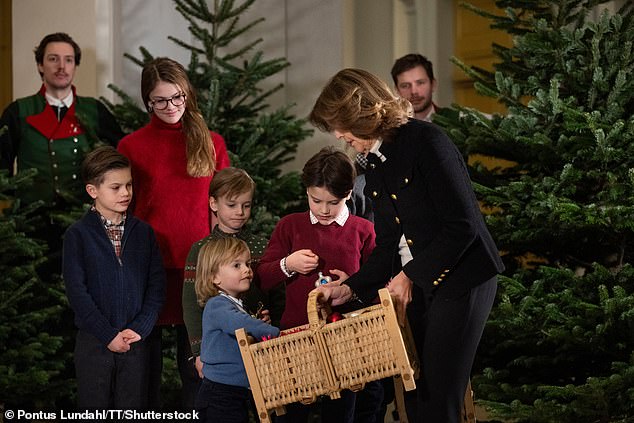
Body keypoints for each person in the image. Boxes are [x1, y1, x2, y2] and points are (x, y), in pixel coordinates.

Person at [309, 68, 505, 423]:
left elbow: (462, 229)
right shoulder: (373, 160)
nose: (339, 135)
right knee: (413, 398)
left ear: (360, 111)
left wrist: (410, 275)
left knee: (436, 400)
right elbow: (387, 246)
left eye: (340, 124)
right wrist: (349, 288)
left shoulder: (428, 143)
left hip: (463, 279)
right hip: (416, 285)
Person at [117, 57, 230, 410]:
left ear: (188, 94)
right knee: (142, 365)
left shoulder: (210, 142)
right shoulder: (131, 147)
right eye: (160, 101)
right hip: (146, 268)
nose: (171, 107)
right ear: (147, 101)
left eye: (178, 97)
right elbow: (123, 208)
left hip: (197, 269)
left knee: (196, 364)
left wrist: (219, 261)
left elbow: (223, 206)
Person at [256, 146, 376, 422]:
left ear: (348, 193)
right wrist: (289, 264)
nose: (323, 210)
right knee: (291, 414)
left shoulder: (363, 230)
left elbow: (381, 286)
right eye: (315, 200)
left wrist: (354, 286)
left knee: (342, 414)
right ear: (307, 191)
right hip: (295, 339)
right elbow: (261, 277)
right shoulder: (290, 226)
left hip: (347, 342)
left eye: (332, 202)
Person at [62, 146, 165, 410]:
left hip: (136, 343)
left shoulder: (145, 234)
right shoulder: (78, 235)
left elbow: (156, 288)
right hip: (95, 343)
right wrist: (107, 334)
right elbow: (77, 292)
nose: (126, 193)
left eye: (129, 185)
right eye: (116, 187)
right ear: (92, 191)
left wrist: (140, 328)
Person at [0, 32, 123, 208]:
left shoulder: (94, 110)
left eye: (69, 60)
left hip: (84, 219)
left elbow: (121, 157)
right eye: (53, 59)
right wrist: (19, 199)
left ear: (75, 66)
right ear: (40, 65)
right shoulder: (17, 111)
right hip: (30, 224)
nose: (62, 67)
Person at [182, 166, 271, 379]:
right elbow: (192, 304)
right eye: (231, 205)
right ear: (214, 204)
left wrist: (269, 318)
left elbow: (273, 292)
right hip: (220, 348)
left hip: (261, 343)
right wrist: (198, 352)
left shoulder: (263, 247)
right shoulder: (201, 249)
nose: (239, 212)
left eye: (246, 205)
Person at [194, 237, 279, 423]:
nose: (247, 270)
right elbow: (241, 323)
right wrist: (271, 331)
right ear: (214, 277)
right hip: (219, 394)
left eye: (247, 264)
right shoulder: (217, 305)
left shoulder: (237, 305)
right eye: (236, 265)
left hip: (234, 392)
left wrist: (258, 322)